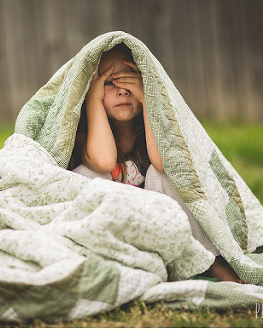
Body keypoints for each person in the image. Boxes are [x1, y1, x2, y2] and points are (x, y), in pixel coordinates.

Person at [68, 43, 243, 283]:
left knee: (163, 173)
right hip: (124, 235)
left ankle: (211, 260)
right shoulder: (85, 137)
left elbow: (163, 164)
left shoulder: (154, 128)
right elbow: (104, 161)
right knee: (86, 175)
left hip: (168, 229)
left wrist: (148, 97)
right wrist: (92, 101)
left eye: (130, 79)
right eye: (109, 82)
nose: (122, 90)